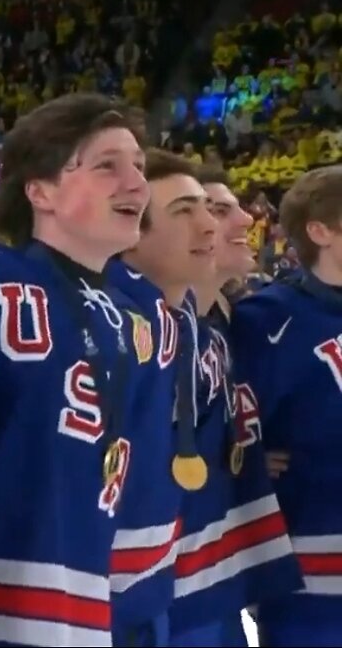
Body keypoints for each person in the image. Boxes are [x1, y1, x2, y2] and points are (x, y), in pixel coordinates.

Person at [0, 92, 159, 646]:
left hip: (82, 601)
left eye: (139, 168)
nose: (137, 185)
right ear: (40, 191)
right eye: (107, 165)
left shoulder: (138, 319)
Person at [166, 165, 301, 646]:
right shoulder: (149, 327)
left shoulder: (240, 317)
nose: (243, 220)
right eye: (216, 209)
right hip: (174, 571)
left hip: (223, 565)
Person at [106, 149, 220, 646]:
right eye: (183, 212)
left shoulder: (187, 318)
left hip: (169, 575)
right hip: (100, 590)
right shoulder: (103, 326)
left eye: (207, 209)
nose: (209, 227)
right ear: (131, 232)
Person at [230, 166, 342, 646]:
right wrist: (248, 457)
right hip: (311, 576)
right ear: (320, 232)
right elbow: (228, 427)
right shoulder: (265, 321)